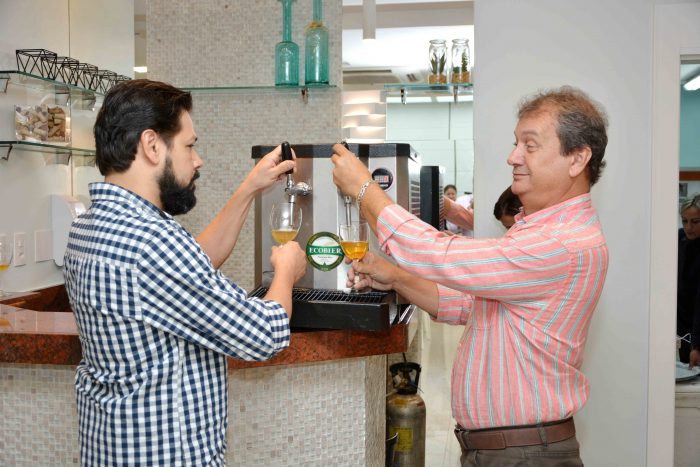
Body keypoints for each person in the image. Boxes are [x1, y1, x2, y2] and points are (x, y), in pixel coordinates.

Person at [331, 85, 609, 466]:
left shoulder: (560, 243)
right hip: (506, 451)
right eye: (516, 143)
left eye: (529, 145)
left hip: (523, 456)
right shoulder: (542, 231)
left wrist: (364, 188)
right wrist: (395, 277)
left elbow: (439, 255)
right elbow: (468, 305)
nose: (513, 157)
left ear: (577, 158)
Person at [62, 79, 307, 465]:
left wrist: (249, 188)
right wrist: (286, 271)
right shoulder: (153, 242)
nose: (197, 160)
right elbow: (265, 334)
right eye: (189, 145)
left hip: (112, 450)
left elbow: (186, 273)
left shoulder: (87, 228)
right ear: (152, 145)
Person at [678, 193, 700, 367]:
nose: (688, 227)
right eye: (684, 221)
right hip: (682, 326)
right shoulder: (678, 239)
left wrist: (697, 344)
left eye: (695, 222)